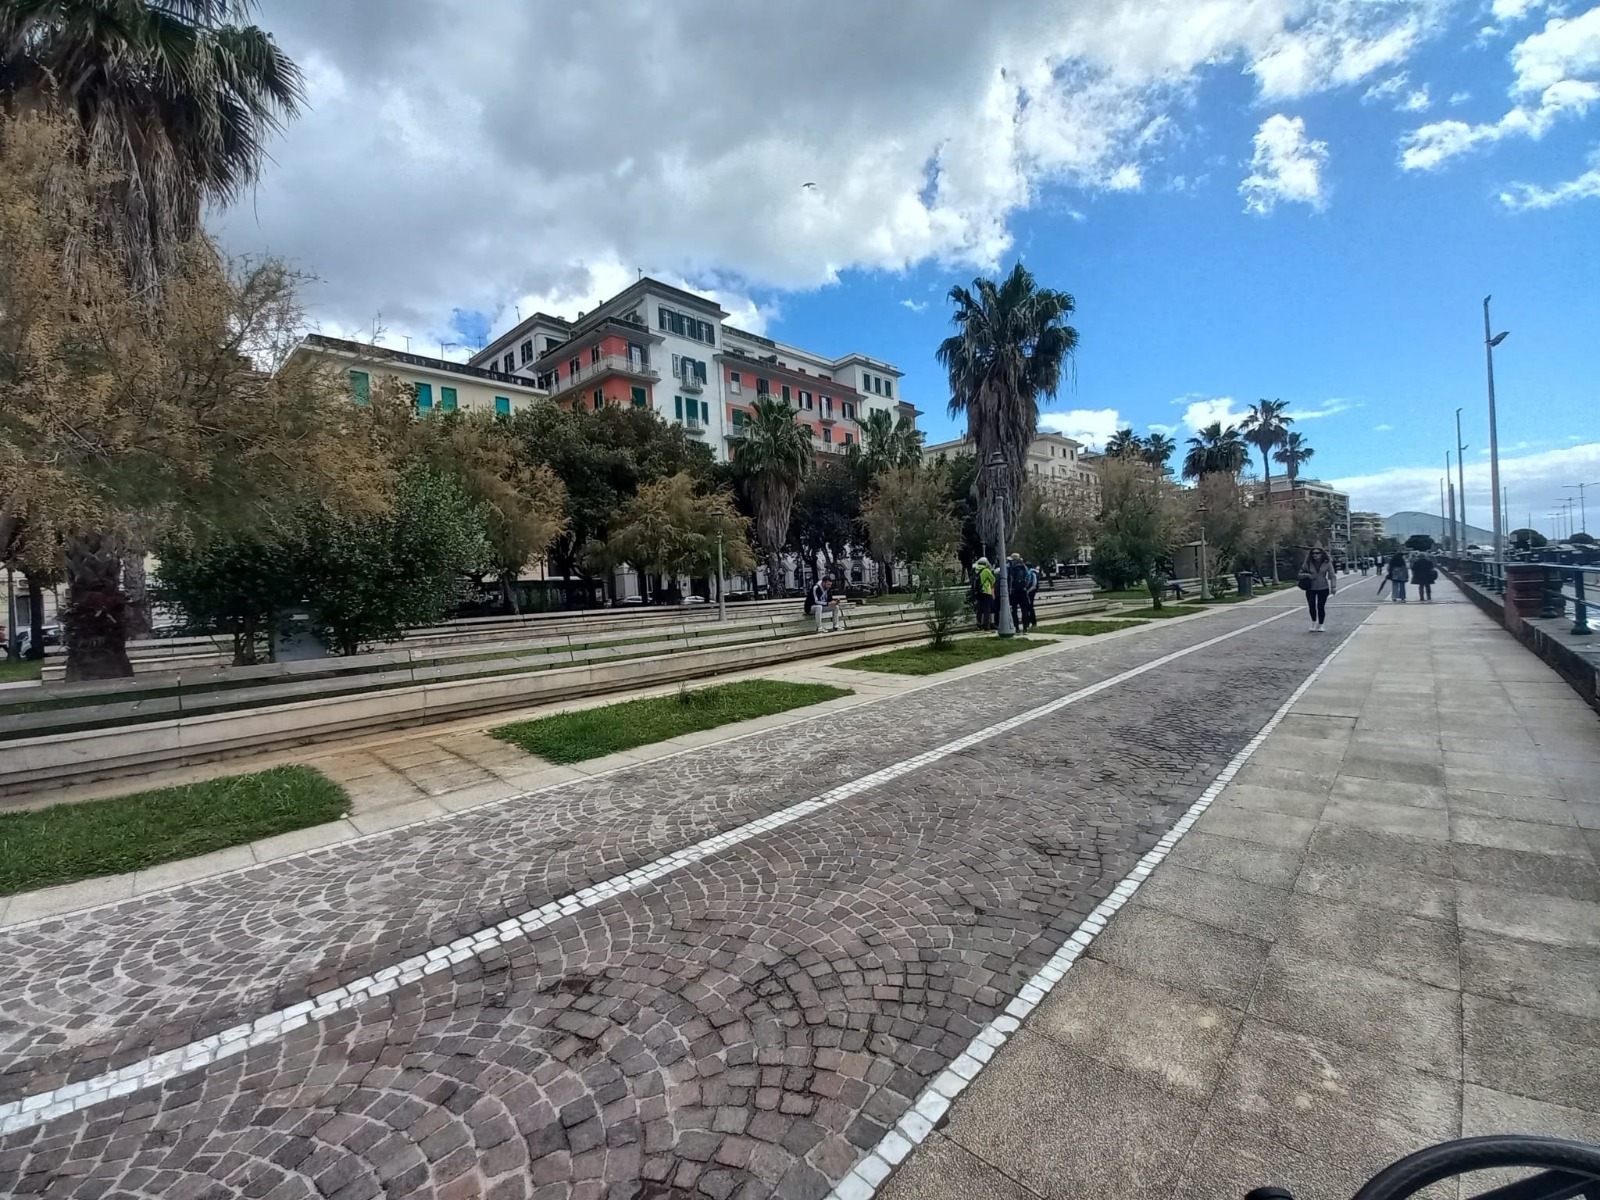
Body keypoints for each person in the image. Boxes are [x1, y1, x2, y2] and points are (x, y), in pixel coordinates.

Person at [1300, 546, 1336, 631]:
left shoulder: (1327, 563)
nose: (1314, 555)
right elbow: (1300, 573)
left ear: (1321, 554)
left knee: (1320, 606)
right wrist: (1308, 575)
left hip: (1323, 587)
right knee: (1311, 606)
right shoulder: (1308, 563)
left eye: (1317, 553)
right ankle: (1313, 623)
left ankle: (1321, 624)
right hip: (1310, 588)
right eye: (1313, 553)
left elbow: (1332, 575)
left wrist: (1333, 587)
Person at [1006, 553, 1029, 631]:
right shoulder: (1023, 566)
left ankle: (1016, 628)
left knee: (1014, 610)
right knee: (1024, 610)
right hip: (1023, 591)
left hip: (1013, 591)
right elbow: (1028, 576)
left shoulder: (1008, 566)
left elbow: (1005, 577)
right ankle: (1025, 628)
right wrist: (1025, 586)